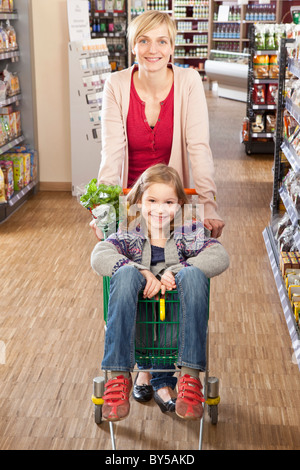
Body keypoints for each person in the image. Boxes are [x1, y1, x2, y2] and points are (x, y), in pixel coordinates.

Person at [91, 9, 225, 410]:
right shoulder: (116, 84)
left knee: (172, 274)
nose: (153, 49)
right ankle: (143, 371)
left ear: (173, 47)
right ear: (132, 45)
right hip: (133, 202)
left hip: (173, 199)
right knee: (138, 278)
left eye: (162, 41)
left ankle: (167, 374)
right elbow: (111, 153)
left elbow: (198, 148)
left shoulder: (187, 81)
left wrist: (209, 204)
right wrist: (103, 209)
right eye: (144, 40)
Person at [91, 164, 229, 421]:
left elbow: (219, 255)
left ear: (179, 205)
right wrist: (139, 270)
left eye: (168, 202)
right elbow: (99, 255)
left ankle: (189, 377)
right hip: (137, 326)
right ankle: (119, 378)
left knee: (193, 274)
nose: (159, 208)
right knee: (125, 274)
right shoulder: (129, 236)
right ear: (139, 202)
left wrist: (178, 270)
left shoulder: (187, 235)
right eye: (152, 200)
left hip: (177, 329)